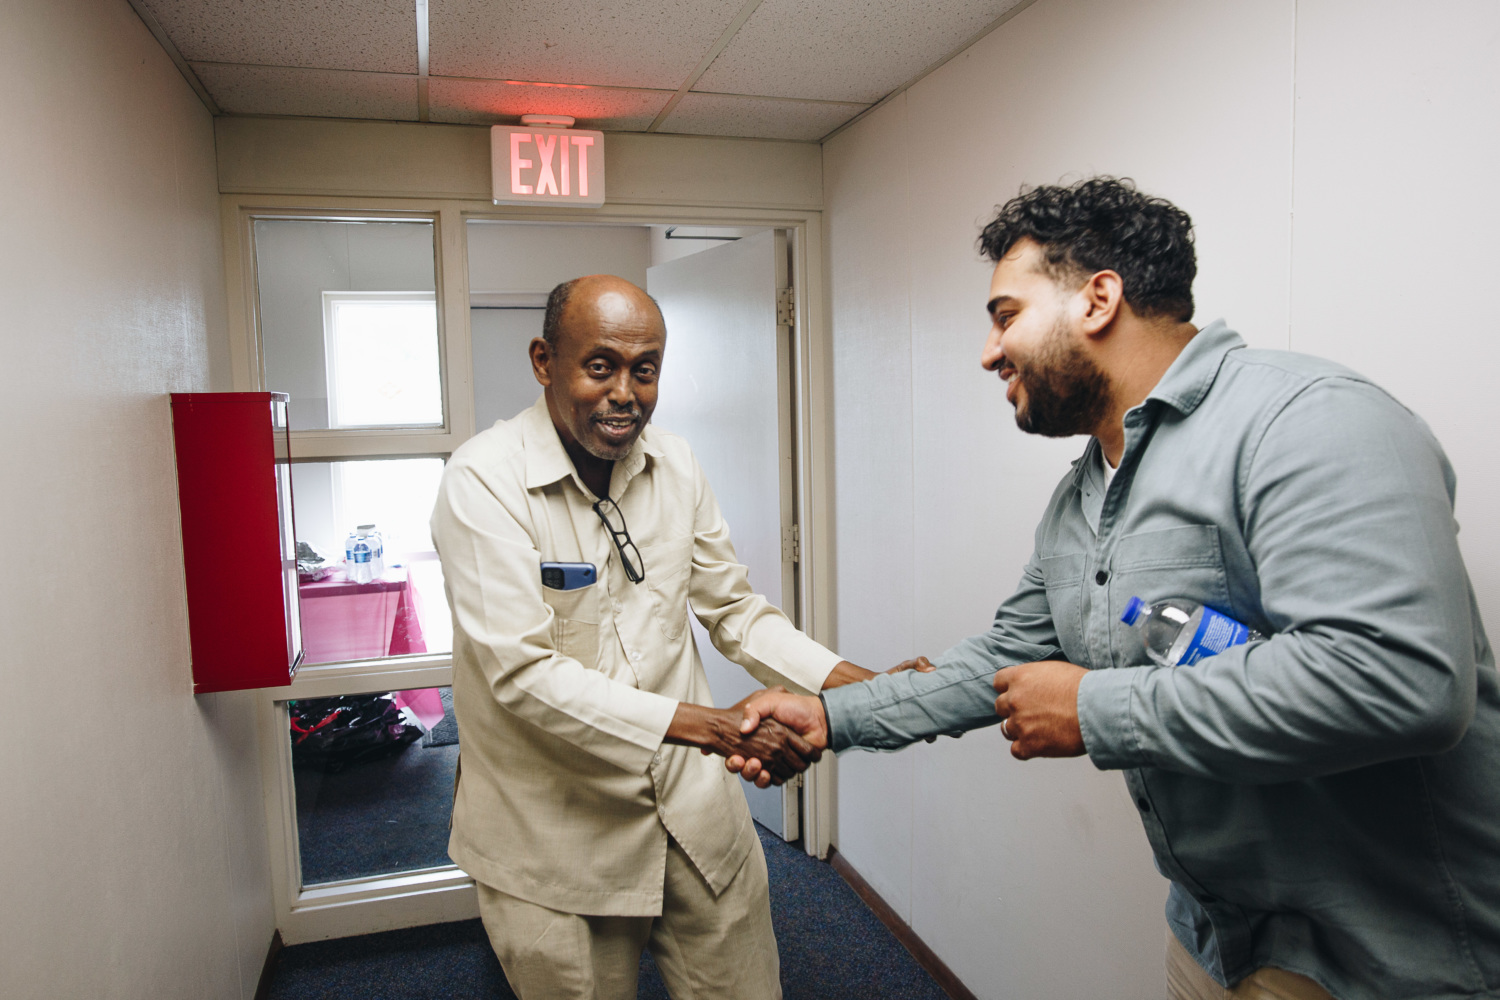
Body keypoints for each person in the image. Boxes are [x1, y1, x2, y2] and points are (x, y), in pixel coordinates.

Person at [731, 178, 1500, 1000]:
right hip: (1217, 935)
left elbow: (1400, 680)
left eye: (1005, 316)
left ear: (1099, 299)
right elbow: (1005, 658)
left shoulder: (1308, 421)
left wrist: (1095, 707)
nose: (989, 353)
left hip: (1390, 957)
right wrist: (829, 716)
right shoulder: (1084, 493)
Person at [430, 274, 918, 1000]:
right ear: (544, 361)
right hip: (555, 834)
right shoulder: (482, 482)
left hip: (692, 814)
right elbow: (523, 678)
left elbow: (736, 611)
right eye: (600, 366)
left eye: (645, 369)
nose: (625, 392)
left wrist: (866, 687)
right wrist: (718, 730)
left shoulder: (676, 464)